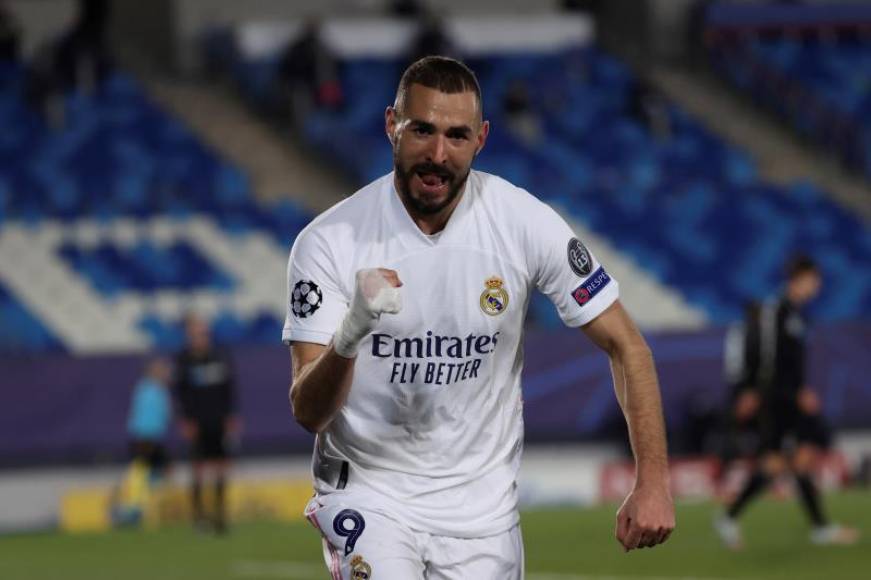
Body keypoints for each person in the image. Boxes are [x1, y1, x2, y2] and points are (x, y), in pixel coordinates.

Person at [284, 56, 674, 578]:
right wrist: (351, 333)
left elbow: (629, 345)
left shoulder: (522, 223)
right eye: (421, 129)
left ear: (482, 138)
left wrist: (653, 482)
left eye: (457, 135)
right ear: (391, 125)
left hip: (483, 516)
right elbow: (309, 413)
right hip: (369, 494)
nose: (438, 154)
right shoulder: (328, 243)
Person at [714, 256, 859, 549]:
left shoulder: (798, 314)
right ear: (801, 278)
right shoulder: (775, 311)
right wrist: (754, 390)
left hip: (792, 398)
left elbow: (792, 362)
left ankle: (817, 527)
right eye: (814, 281)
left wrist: (801, 389)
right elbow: (765, 358)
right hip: (778, 400)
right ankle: (731, 517)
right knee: (781, 462)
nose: (816, 287)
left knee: (792, 460)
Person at [174, 313, 241, 534]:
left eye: (203, 334)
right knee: (198, 469)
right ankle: (199, 518)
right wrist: (185, 420)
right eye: (196, 334)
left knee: (221, 468)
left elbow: (229, 390)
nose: (200, 338)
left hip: (218, 421)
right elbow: (180, 394)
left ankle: (220, 516)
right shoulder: (184, 361)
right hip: (197, 423)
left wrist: (231, 417)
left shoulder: (220, 358)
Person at [127, 357, 173, 479]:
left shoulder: (159, 389)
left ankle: (150, 489)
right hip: (146, 435)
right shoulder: (148, 389)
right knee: (144, 465)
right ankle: (138, 491)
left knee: (153, 466)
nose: (166, 373)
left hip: (153, 435)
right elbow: (143, 415)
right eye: (161, 371)